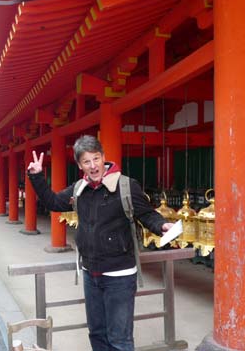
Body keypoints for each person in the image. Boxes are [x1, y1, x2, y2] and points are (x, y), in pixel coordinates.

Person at [27, 135, 174, 351]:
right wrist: (37, 177)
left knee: (120, 339)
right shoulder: (80, 188)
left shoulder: (126, 186)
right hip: (90, 273)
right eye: (86, 161)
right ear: (80, 165)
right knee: (97, 333)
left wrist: (162, 226)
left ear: (104, 157)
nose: (93, 166)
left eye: (96, 159)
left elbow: (147, 214)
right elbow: (53, 202)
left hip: (120, 276)